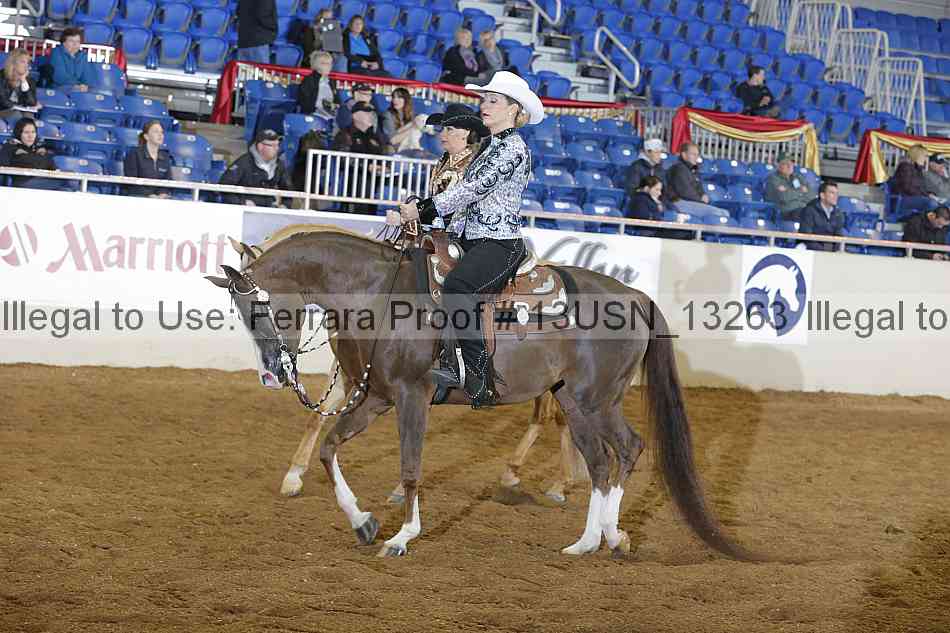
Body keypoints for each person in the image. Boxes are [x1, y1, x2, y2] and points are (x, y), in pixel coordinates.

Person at [394, 71, 544, 408]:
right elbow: (464, 198)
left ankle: (478, 379)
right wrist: (431, 222)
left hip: (500, 244)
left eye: (493, 100)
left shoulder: (514, 149)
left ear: (513, 109)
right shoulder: (490, 146)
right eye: (484, 99)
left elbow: (473, 189)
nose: (484, 105)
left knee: (458, 287)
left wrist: (423, 208)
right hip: (472, 239)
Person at [425, 102, 490, 203]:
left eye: (449, 129)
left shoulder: (475, 163)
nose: (442, 134)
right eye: (442, 129)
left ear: (466, 132)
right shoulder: (444, 160)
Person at [332, 102, 385, 213]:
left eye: (372, 113)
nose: (370, 116)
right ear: (355, 115)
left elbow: (382, 155)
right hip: (353, 181)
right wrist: (366, 166)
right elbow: (343, 158)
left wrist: (384, 166)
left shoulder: (375, 137)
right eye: (366, 113)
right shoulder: (345, 134)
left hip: (374, 182)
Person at [219, 129, 293, 207]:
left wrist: (285, 205)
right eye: (272, 145)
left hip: (268, 209)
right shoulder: (243, 163)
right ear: (260, 146)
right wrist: (241, 202)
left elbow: (288, 189)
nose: (277, 148)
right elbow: (224, 186)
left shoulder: (279, 165)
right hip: (245, 210)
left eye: (277, 145)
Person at [0, 117, 67, 190]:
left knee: (66, 189)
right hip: (23, 183)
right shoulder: (10, 147)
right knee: (68, 181)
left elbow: (52, 166)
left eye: (33, 132)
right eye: (26, 132)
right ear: (19, 133)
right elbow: (3, 166)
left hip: (41, 179)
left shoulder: (39, 148)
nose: (30, 136)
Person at [665, 142, 728, 217]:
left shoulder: (692, 170)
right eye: (693, 154)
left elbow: (698, 187)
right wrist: (701, 200)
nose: (696, 157)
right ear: (684, 155)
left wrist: (703, 194)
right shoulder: (679, 169)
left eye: (697, 155)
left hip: (691, 201)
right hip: (679, 202)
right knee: (718, 213)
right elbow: (685, 192)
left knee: (724, 212)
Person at [122, 120, 172, 198]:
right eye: (156, 131)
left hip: (159, 198)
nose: (160, 135)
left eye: (162, 132)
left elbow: (167, 180)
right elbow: (131, 181)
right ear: (146, 136)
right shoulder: (134, 154)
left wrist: (162, 194)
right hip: (138, 196)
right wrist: (149, 195)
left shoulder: (165, 156)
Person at [891, 144, 941, 215]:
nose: (925, 159)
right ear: (917, 155)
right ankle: (925, 220)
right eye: (924, 156)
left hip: (913, 198)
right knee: (931, 203)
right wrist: (926, 196)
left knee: (945, 204)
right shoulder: (905, 166)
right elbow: (907, 188)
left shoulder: (917, 169)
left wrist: (929, 194)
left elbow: (921, 188)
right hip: (902, 199)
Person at [764, 152, 815, 221]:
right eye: (785, 163)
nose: (789, 166)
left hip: (802, 210)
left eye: (791, 163)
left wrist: (789, 191)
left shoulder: (797, 177)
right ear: (778, 165)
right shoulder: (773, 178)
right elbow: (784, 197)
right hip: (785, 212)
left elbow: (811, 196)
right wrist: (801, 192)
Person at [798, 181, 845, 252]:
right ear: (822, 195)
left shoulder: (839, 214)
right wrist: (823, 251)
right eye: (832, 193)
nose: (836, 196)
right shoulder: (809, 211)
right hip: (811, 250)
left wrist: (833, 251)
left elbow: (839, 237)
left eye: (837, 193)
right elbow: (806, 236)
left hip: (829, 251)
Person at [380, 87, 428, 155]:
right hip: (394, 150)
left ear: (406, 100)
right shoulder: (387, 115)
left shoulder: (412, 115)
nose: (395, 100)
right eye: (393, 97)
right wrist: (413, 126)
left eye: (399, 97)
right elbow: (392, 140)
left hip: (410, 148)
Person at [296, 51, 339, 122]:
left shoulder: (331, 81)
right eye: (326, 64)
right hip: (314, 114)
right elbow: (305, 102)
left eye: (330, 63)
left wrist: (336, 105)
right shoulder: (309, 80)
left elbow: (336, 100)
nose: (330, 66)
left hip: (331, 114)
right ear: (318, 65)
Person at [623, 138, 665, 210]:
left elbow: (664, 190)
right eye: (656, 152)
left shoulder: (660, 169)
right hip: (641, 202)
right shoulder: (636, 167)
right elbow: (632, 189)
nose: (659, 155)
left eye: (660, 152)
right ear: (647, 152)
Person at [49, 28, 95, 93]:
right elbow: (59, 77)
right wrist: (77, 85)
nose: (75, 44)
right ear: (64, 43)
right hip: (59, 89)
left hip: (79, 89)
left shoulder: (83, 56)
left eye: (78, 41)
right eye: (71, 41)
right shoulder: (56, 53)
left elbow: (88, 78)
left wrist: (84, 86)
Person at [0, 49, 40, 118]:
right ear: (13, 63)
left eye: (27, 63)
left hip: (19, 112)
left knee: (28, 115)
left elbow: (31, 103)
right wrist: (19, 107)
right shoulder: (1, 77)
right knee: (18, 114)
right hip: (2, 111)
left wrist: (23, 81)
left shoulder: (30, 81)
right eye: (23, 62)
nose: (26, 65)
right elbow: (3, 101)